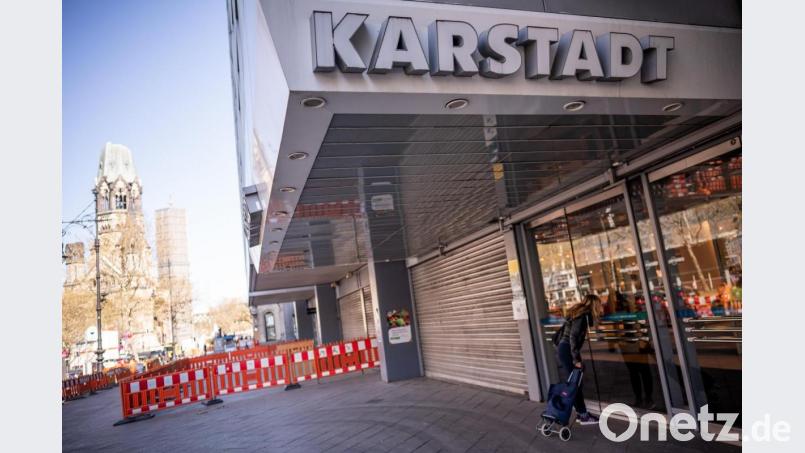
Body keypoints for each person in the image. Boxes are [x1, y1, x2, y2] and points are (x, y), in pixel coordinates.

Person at [556, 294, 603, 425]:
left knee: (576, 383)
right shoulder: (583, 316)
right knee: (575, 384)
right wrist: (576, 358)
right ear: (594, 305)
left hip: (565, 349)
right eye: (599, 305)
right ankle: (583, 415)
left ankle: (580, 413)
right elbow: (573, 336)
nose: (600, 308)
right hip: (567, 350)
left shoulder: (578, 313)